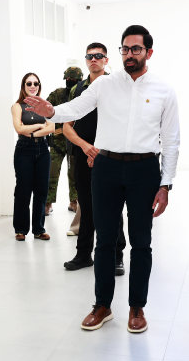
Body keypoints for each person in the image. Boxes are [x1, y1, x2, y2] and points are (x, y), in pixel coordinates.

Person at [24, 25, 180, 334]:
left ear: (149, 52)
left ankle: (137, 307)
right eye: (125, 49)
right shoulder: (105, 85)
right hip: (106, 167)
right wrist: (51, 110)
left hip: (144, 170)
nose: (129, 54)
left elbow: (172, 141)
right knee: (105, 240)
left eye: (136, 49)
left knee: (141, 242)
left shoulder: (164, 90)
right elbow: (76, 108)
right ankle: (102, 305)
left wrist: (165, 184)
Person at [62, 42, 127, 273]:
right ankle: (83, 255)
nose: (94, 59)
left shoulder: (117, 85)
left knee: (112, 206)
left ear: (106, 60)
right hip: (83, 154)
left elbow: (123, 122)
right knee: (86, 205)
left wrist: (99, 150)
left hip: (109, 155)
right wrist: (84, 146)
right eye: (90, 56)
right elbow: (67, 125)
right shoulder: (77, 89)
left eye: (99, 56)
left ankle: (117, 256)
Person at [11, 73, 55, 242]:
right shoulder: (17, 106)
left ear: (39, 86)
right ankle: (20, 229)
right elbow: (19, 129)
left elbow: (51, 128)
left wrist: (31, 131)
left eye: (35, 83)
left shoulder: (46, 106)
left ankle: (39, 229)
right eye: (29, 83)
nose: (32, 86)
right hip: (24, 150)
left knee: (41, 190)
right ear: (23, 86)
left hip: (43, 149)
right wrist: (39, 125)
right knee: (23, 189)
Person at [45, 67, 81, 216]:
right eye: (68, 79)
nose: (70, 82)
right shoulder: (57, 94)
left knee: (74, 174)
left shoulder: (82, 95)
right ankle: (48, 202)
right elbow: (45, 112)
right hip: (58, 141)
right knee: (52, 172)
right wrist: (54, 125)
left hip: (74, 139)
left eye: (74, 80)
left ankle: (74, 201)